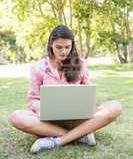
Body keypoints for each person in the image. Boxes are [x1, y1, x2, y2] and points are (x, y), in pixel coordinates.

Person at [9, 25, 122, 154]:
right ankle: (80, 135)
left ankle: (58, 140)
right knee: (16, 117)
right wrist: (41, 107)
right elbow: (32, 99)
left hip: (77, 119)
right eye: (59, 47)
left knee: (115, 106)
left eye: (67, 47)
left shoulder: (80, 64)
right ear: (51, 44)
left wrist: (86, 104)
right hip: (50, 122)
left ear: (72, 45)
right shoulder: (38, 68)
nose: (64, 51)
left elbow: (87, 92)